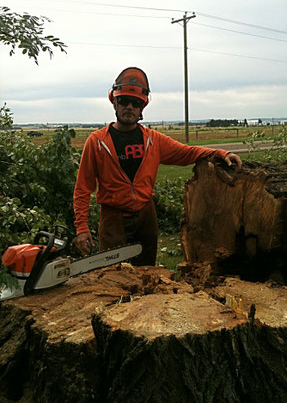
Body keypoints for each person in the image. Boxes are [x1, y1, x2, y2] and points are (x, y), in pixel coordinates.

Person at [73, 67, 242, 265]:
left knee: (148, 274)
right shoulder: (97, 142)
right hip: (113, 219)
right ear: (114, 102)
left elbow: (187, 152)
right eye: (124, 101)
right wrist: (82, 228)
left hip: (146, 216)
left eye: (135, 103)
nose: (129, 107)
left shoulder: (153, 140)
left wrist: (221, 153)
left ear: (142, 107)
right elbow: (83, 188)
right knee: (113, 278)